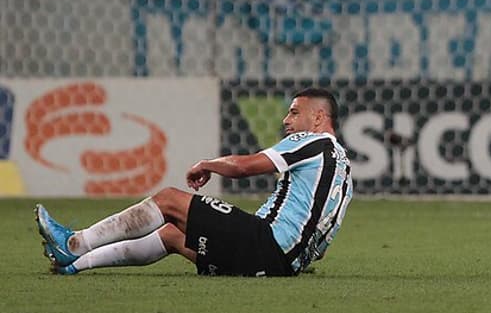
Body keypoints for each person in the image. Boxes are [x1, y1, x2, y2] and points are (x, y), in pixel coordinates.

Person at [36, 88, 353, 276]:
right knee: (173, 235)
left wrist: (208, 164)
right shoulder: (345, 174)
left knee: (169, 200)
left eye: (294, 112)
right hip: (281, 265)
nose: (286, 120)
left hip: (265, 244)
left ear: (318, 118)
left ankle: (74, 243)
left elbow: (245, 167)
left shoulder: (313, 142)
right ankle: (75, 264)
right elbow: (321, 248)